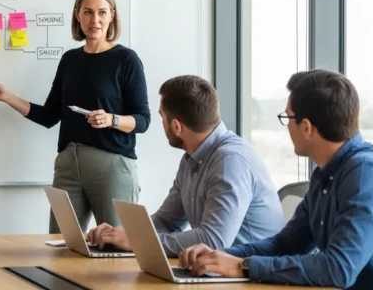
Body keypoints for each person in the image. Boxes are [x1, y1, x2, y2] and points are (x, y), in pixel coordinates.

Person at [179, 69, 373, 289]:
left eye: (287, 118)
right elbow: (286, 244)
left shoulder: (365, 173)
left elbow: (338, 268)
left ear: (306, 127)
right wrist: (219, 256)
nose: (287, 128)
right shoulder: (325, 173)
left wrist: (243, 266)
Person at [0, 0, 150, 233]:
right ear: (77, 15)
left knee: (115, 248)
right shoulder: (70, 59)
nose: (95, 20)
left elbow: (143, 120)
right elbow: (49, 116)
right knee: (61, 246)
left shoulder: (126, 59)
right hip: (68, 166)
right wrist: (6, 97)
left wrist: (111, 119)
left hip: (112, 166)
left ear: (112, 15)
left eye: (102, 12)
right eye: (88, 12)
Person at [85, 75, 285, 257]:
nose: (161, 123)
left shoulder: (230, 162)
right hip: (215, 270)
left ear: (177, 127)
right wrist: (124, 233)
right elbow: (167, 221)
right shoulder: (191, 157)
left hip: (250, 274)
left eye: (162, 118)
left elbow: (212, 241)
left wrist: (140, 242)